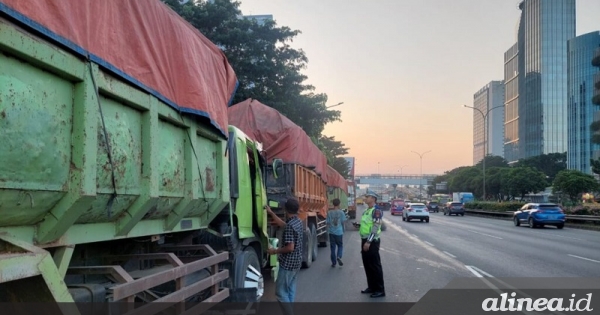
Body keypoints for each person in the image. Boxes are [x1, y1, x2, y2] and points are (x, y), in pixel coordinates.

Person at [266, 198, 303, 314]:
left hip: (287, 265)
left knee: (281, 293)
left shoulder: (290, 226)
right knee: (290, 291)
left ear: (286, 209)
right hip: (296, 263)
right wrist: (271, 213)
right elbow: (284, 225)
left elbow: (290, 247)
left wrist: (275, 251)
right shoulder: (298, 222)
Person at [356, 192, 385, 298]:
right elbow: (367, 224)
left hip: (372, 242)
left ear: (373, 198)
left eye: (367, 197)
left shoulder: (376, 210)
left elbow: (376, 226)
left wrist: (368, 242)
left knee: (375, 266)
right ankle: (371, 287)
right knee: (367, 265)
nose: (365, 198)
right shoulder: (367, 211)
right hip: (365, 240)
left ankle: (380, 290)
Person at [326, 198, 346, 267]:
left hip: (331, 233)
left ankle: (333, 262)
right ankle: (339, 256)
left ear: (333, 204)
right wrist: (344, 230)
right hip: (339, 232)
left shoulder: (329, 212)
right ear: (339, 204)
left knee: (332, 248)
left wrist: (327, 231)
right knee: (340, 246)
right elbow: (343, 222)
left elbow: (327, 223)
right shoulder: (341, 212)